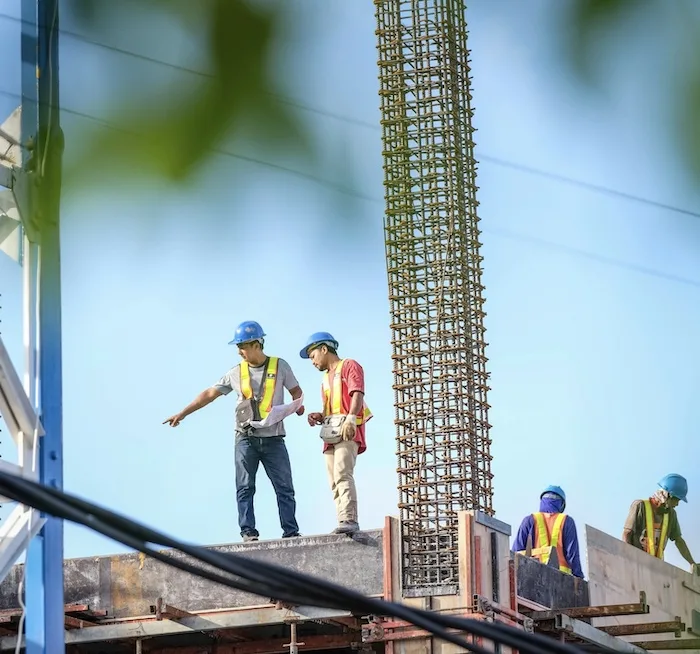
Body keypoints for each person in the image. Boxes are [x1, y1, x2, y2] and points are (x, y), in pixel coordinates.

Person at [164, 320, 305, 542]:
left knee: (284, 487)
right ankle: (248, 532)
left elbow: (296, 391)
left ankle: (291, 532)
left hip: (274, 439)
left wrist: (298, 406)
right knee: (245, 486)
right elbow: (209, 394)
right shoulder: (236, 373)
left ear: (257, 344)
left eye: (243, 346)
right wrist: (183, 413)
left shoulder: (280, 366)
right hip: (246, 439)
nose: (240, 352)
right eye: (238, 347)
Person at [300, 331, 372, 535]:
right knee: (333, 480)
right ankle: (342, 519)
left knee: (342, 473)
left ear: (324, 349)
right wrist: (319, 416)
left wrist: (351, 418)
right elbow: (332, 409)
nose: (312, 362)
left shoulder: (349, 365)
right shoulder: (325, 379)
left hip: (348, 430)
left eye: (313, 355)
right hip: (332, 433)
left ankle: (349, 519)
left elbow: (357, 392)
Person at [622, 474, 698, 574]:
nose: (677, 504)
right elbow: (627, 533)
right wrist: (627, 559)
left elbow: (678, 540)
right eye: (676, 500)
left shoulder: (671, 515)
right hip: (636, 564)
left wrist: (692, 563)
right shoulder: (640, 506)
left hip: (655, 569)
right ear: (667, 495)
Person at [512, 485, 584, 578]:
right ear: (562, 504)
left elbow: (516, 552)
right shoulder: (566, 521)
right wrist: (579, 578)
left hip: (533, 577)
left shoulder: (529, 520)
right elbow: (573, 555)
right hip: (561, 580)